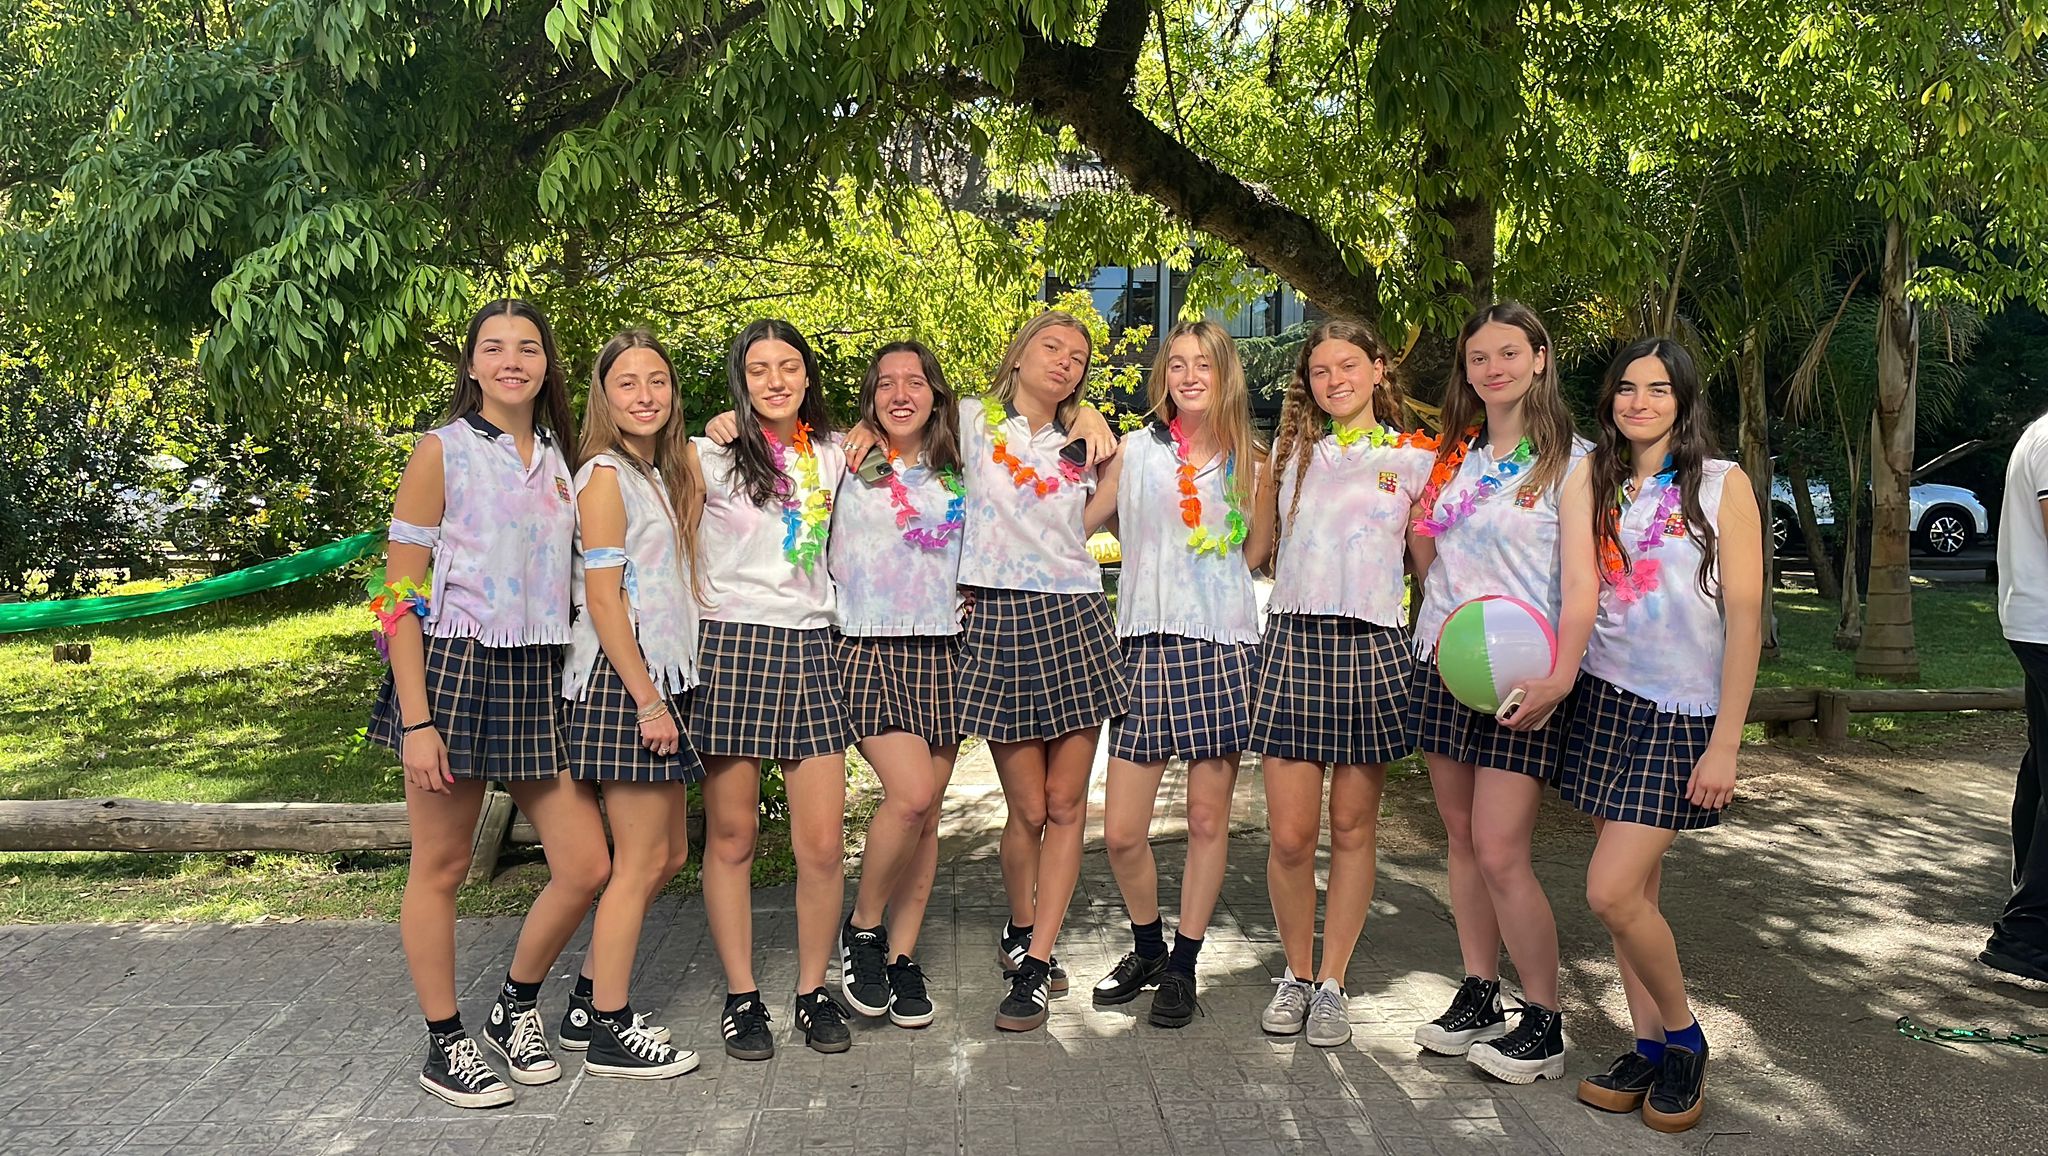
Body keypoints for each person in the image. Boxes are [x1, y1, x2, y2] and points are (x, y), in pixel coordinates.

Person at [368, 299, 611, 1107]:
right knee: (440, 867)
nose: (513, 360)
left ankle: (514, 1007)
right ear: (472, 364)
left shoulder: (564, 458)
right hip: (456, 672)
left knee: (586, 864)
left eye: (529, 347)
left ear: (547, 365)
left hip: (539, 673)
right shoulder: (441, 450)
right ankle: (446, 1043)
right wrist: (417, 720)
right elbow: (396, 596)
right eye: (495, 347)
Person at [1559, 338, 1761, 1132]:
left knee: (1608, 889)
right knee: (1633, 900)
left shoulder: (1721, 484)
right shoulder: (1594, 478)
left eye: (1657, 389)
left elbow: (1744, 618)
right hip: (1604, 701)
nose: (1638, 402)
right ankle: (1647, 1047)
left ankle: (1685, 1038)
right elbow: (1581, 594)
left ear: (1683, 400)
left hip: (1682, 713)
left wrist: (1726, 742)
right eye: (1626, 389)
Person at [1408, 301, 1595, 1084]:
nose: (1494, 368)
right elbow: (1423, 540)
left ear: (1540, 358)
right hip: (1444, 664)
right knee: (1459, 837)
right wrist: (1448, 611)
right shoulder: (1453, 455)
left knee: (1500, 848)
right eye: (1479, 357)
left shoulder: (1574, 462)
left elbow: (1583, 585)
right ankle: (1480, 991)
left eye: (1509, 353)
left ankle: (1544, 1020)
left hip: (1526, 681)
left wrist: (1561, 675)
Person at [1246, 320, 1436, 1047]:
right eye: (1321, 371)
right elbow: (1255, 550)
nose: (1336, 381)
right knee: (1292, 836)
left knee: (1353, 829)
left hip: (1373, 648)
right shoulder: (1290, 455)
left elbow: (1429, 568)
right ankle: (1295, 975)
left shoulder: (1414, 458)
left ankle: (1332, 983)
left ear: (1379, 369)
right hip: (1293, 644)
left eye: (1349, 365)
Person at [1089, 320, 1265, 1028]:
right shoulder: (1134, 451)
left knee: (1205, 819)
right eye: (1178, 364)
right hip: (1142, 645)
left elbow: (1255, 555)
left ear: (1226, 375)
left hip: (1220, 646)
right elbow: (1082, 518)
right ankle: (1148, 947)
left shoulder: (1253, 460)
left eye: (1204, 364)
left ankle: (1185, 964)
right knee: (1122, 832)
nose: (1190, 376)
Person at [689, 319, 856, 1058]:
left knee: (821, 844)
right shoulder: (709, 456)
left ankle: (813, 991)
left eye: (788, 365)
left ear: (807, 375)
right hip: (731, 646)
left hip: (813, 647)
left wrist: (1081, 415)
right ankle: (742, 995)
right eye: (758, 369)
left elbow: (926, 451)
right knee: (733, 836)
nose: (775, 380)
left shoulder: (837, 455)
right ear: (741, 379)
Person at [556, 329, 705, 1079]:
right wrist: (647, 701)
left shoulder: (657, 471)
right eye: (627, 383)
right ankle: (612, 1028)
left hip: (660, 676)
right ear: (604, 397)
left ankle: (587, 1002)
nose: (645, 396)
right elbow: (604, 599)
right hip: (625, 683)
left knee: (668, 854)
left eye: (657, 381)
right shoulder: (605, 476)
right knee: (639, 858)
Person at [828, 342, 969, 1029]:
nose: (901, 393)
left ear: (936, 394)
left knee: (928, 814)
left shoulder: (961, 468)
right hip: (867, 644)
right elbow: (765, 447)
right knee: (909, 796)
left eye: (915, 381)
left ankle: (902, 956)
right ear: (871, 397)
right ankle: (862, 928)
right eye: (886, 383)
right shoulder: (841, 458)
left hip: (944, 648)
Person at [1985, 407, 2048, 987]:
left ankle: (2028, 926)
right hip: (2044, 624)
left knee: (2042, 766)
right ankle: (2028, 933)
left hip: (2036, 622)